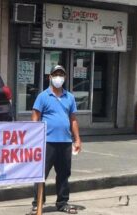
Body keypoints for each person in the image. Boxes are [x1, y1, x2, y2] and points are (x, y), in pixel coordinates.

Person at [30, 65, 82, 214]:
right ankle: (38, 202)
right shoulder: (43, 96)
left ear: (64, 78)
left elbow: (73, 120)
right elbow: (35, 117)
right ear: (50, 77)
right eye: (55, 74)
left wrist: (77, 139)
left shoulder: (69, 97)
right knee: (41, 174)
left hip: (65, 142)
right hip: (46, 142)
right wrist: (35, 138)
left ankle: (62, 202)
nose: (58, 77)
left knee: (64, 174)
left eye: (61, 74)